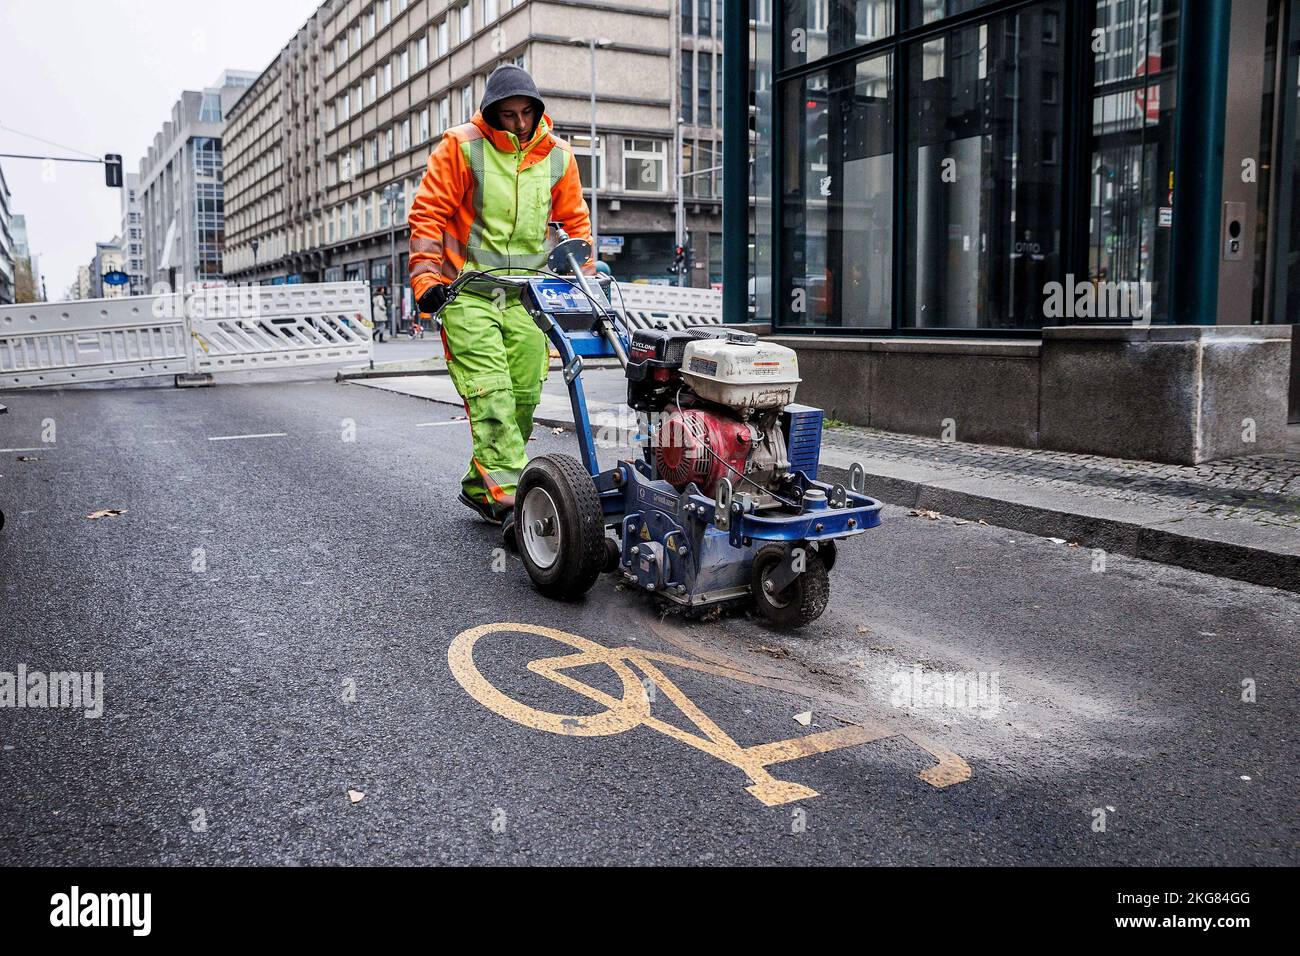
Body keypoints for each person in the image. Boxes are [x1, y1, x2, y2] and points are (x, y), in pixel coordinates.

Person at [408, 64, 593, 526]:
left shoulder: (559, 157)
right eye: (508, 115)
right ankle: (514, 501)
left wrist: (582, 286)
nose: (519, 124)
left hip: (528, 296)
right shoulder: (461, 146)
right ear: (491, 113)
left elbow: (576, 226)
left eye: (526, 113)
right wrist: (426, 280)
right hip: (469, 292)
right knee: (491, 393)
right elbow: (428, 215)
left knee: (525, 396)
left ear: (537, 110)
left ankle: (480, 484)